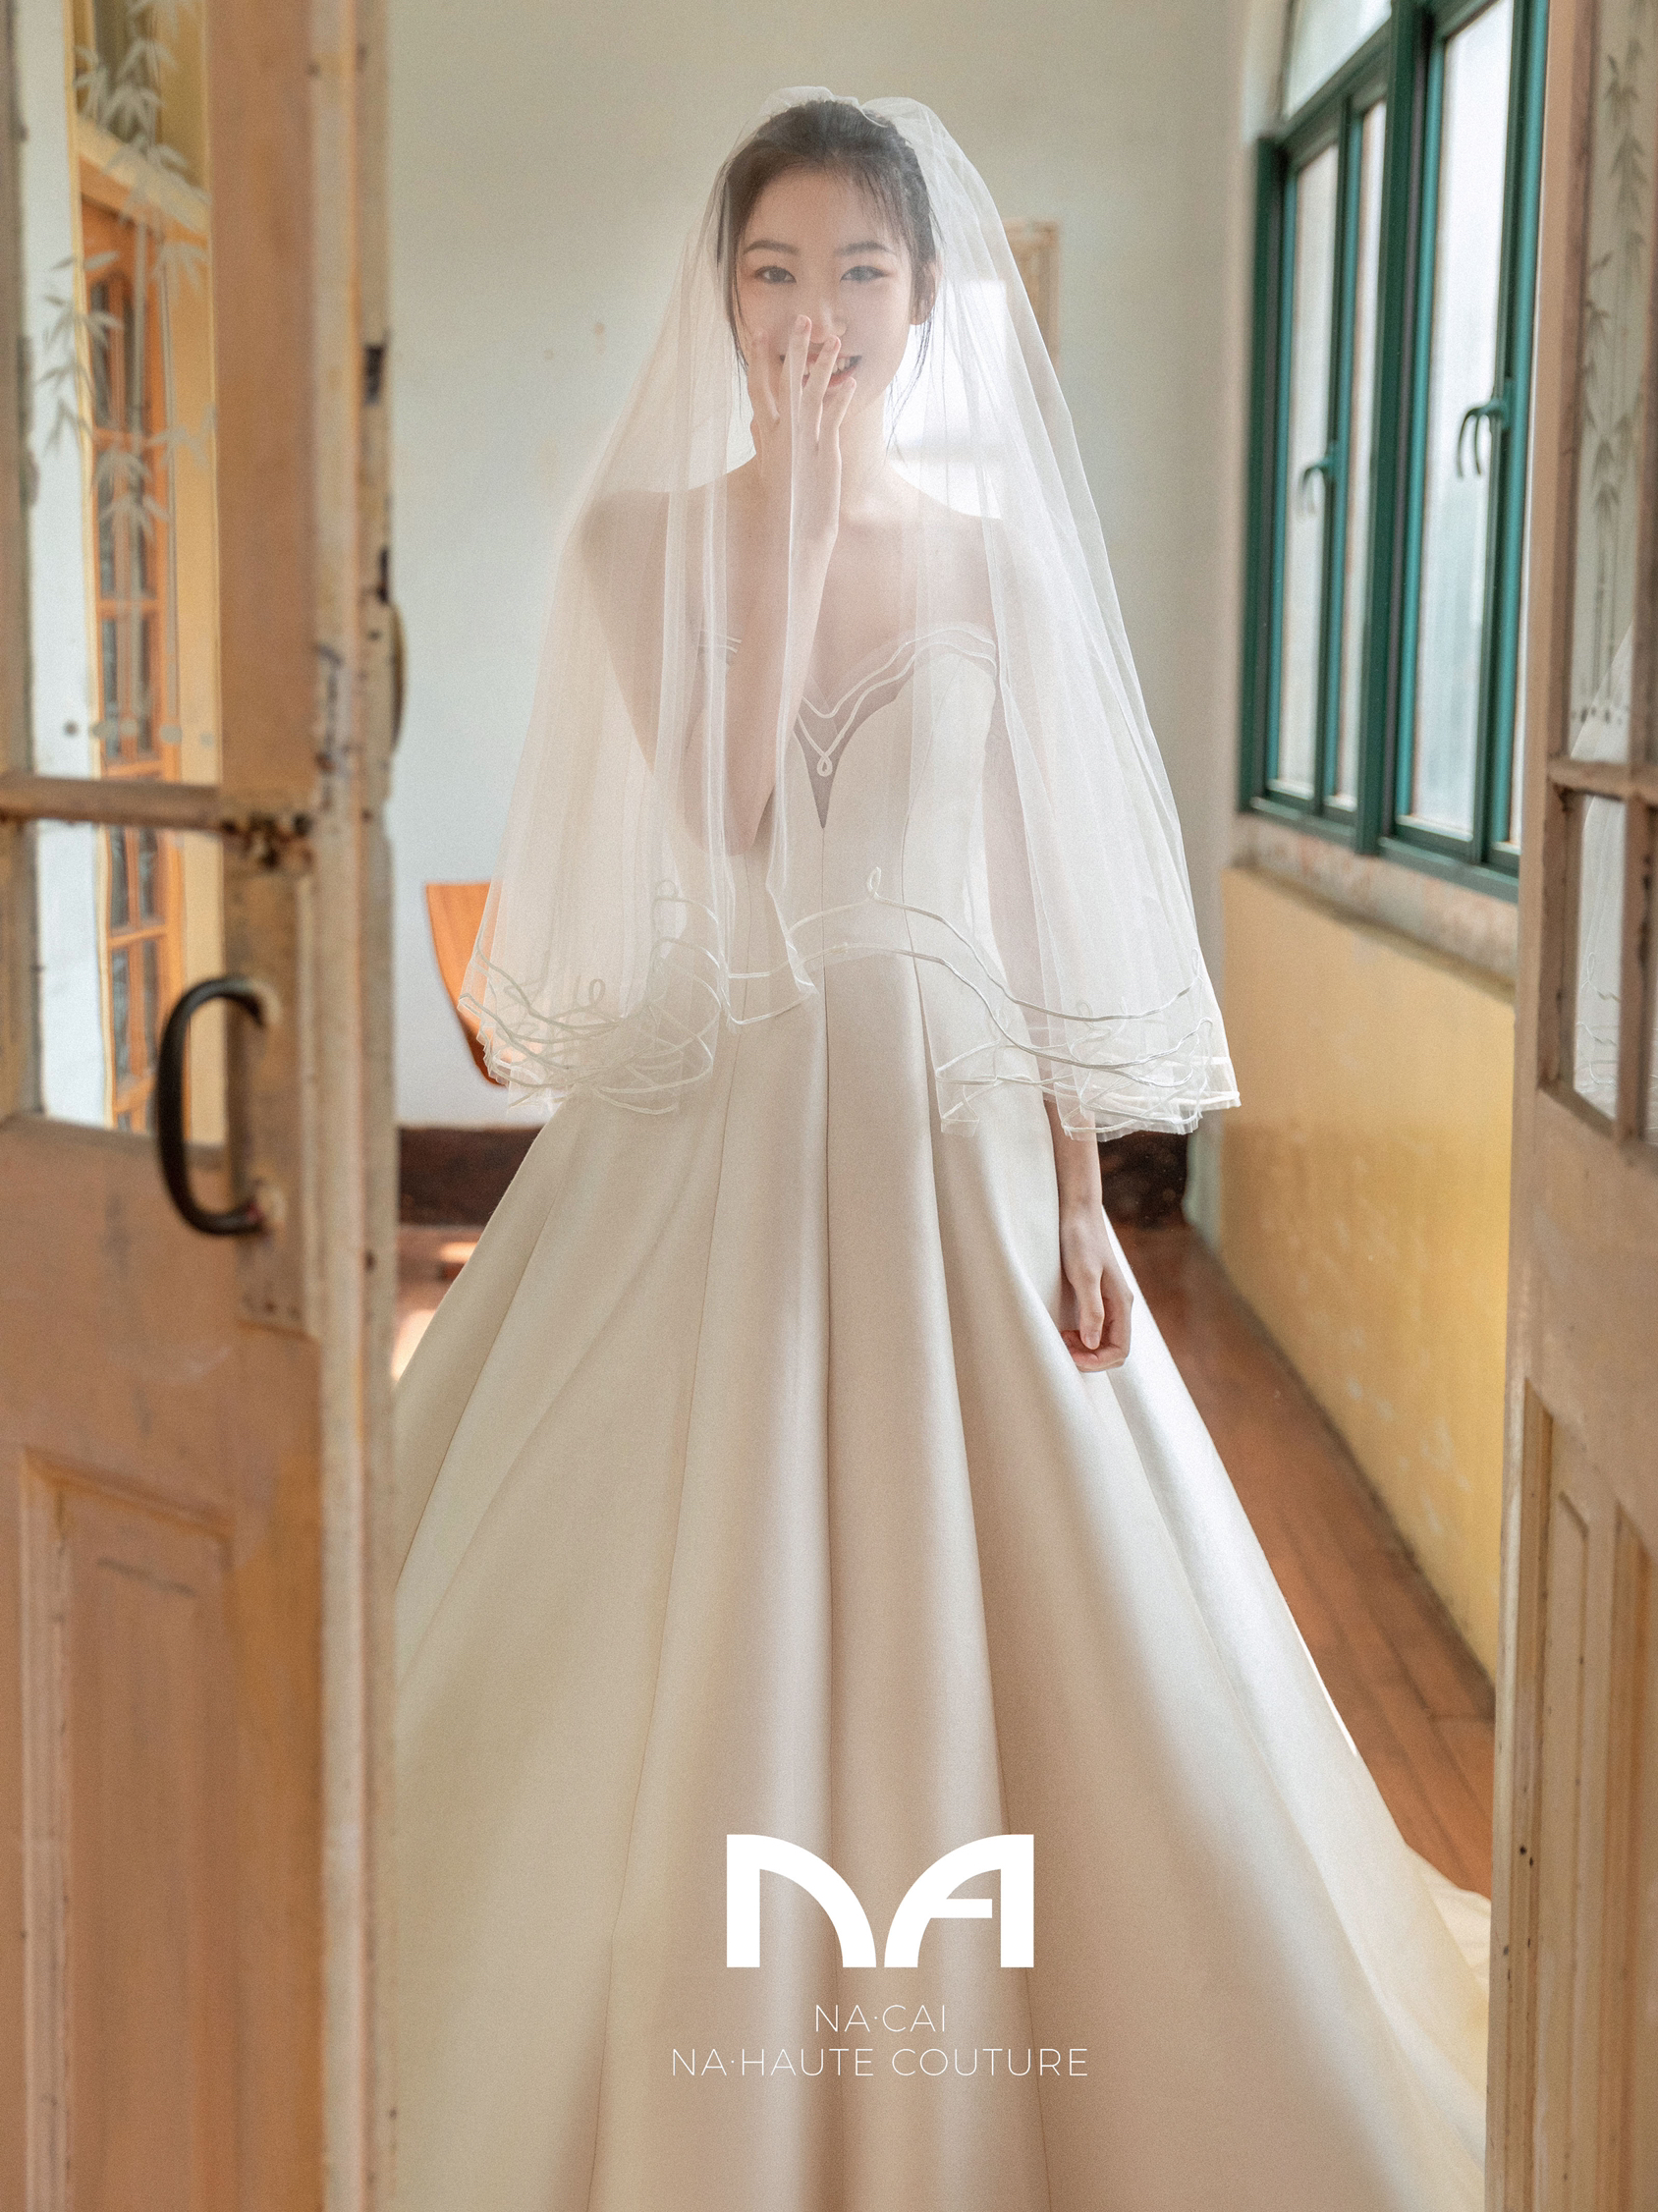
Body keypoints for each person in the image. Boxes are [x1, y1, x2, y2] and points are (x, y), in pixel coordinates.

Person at [393, 89, 1489, 2212]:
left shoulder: (994, 563)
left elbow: (1036, 897)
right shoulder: (635, 543)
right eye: (774, 270)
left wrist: (1080, 1193)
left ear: (924, 299)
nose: (814, 312)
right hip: (710, 1107)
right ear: (723, 296)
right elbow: (727, 817)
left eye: (859, 272)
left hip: (949, 1114)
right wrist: (796, 529)